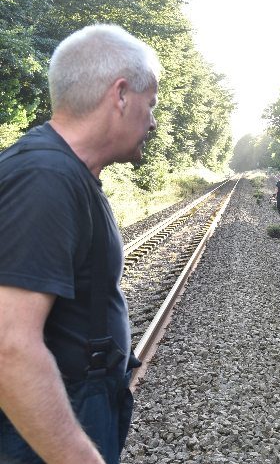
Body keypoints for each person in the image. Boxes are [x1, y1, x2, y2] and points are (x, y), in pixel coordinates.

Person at [0, 24, 160, 464]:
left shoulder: (69, 173)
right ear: (121, 95)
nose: (153, 121)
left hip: (75, 405)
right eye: (151, 105)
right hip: (37, 432)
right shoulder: (45, 179)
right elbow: (9, 345)